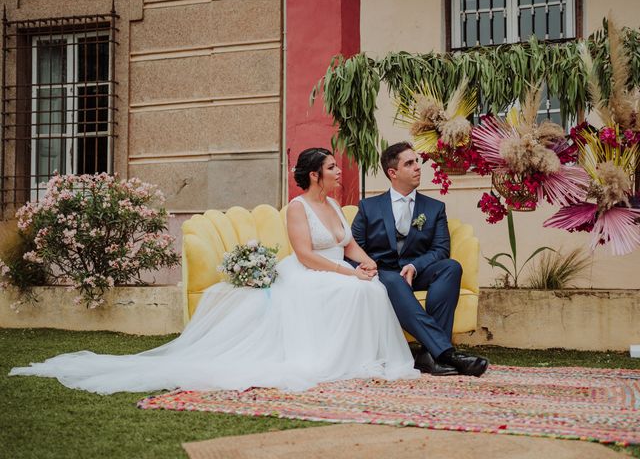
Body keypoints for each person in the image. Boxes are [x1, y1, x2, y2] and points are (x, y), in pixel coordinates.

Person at [10, 147, 419, 394]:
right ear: (314, 175)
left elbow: (348, 244)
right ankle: (331, 361)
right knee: (353, 290)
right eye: (332, 168)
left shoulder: (332, 206)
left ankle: (368, 359)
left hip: (337, 268)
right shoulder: (298, 208)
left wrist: (365, 262)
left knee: (371, 287)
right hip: (310, 273)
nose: (338, 173)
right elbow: (307, 255)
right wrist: (349, 274)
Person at [352, 142, 489, 377]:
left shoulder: (434, 208)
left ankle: (428, 353)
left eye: (417, 161)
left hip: (418, 273)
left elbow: (441, 249)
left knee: (451, 267)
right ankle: (445, 354)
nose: (418, 167)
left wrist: (415, 266)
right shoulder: (369, 207)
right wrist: (368, 269)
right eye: (409, 163)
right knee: (393, 281)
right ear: (392, 173)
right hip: (382, 274)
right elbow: (354, 248)